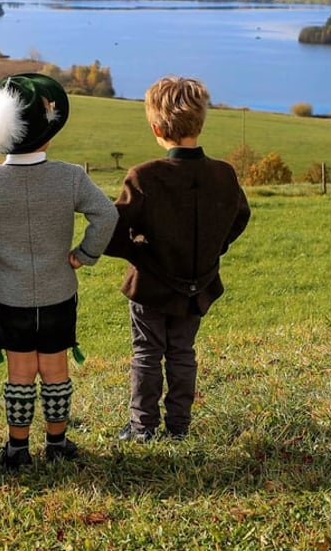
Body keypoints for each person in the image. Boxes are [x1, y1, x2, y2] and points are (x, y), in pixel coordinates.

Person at [0, 73, 117, 468]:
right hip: (59, 290)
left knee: (19, 372)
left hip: (10, 293)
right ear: (46, 134)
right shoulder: (71, 177)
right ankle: (56, 445)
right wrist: (84, 254)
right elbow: (106, 214)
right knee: (55, 369)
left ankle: (17, 449)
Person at [104, 76, 250, 442]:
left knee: (147, 353)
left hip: (150, 286)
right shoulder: (223, 174)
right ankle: (179, 426)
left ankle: (142, 427)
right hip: (197, 284)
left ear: (156, 127)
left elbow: (111, 230)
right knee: (183, 352)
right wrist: (215, 248)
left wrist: (139, 251)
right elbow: (240, 216)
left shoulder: (145, 177)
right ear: (201, 122)